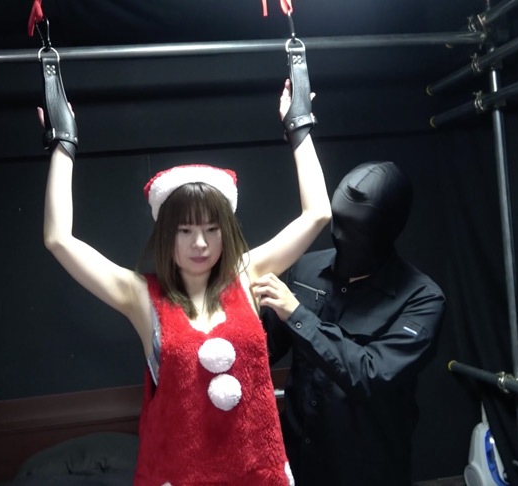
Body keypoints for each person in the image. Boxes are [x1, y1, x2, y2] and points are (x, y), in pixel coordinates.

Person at [41, 78, 330, 486]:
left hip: (257, 474)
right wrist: (64, 144)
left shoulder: (246, 274)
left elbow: (317, 214)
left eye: (212, 229)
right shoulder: (141, 296)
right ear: (166, 235)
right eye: (185, 231)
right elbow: (58, 239)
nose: (200, 244)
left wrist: (298, 125)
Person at [253, 161, 446, 486]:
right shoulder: (306, 269)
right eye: (337, 222)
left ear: (386, 230)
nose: (340, 236)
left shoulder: (421, 299)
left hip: (364, 469)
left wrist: (297, 315)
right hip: (297, 459)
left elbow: (370, 374)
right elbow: (263, 348)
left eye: (353, 229)